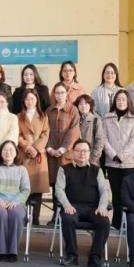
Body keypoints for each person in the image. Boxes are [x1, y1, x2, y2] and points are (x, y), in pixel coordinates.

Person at [55, 140, 112, 267]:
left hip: (93, 208)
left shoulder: (97, 170)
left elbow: (104, 191)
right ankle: (72, 256)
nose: (82, 154)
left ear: (89, 153)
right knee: (68, 220)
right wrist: (66, 205)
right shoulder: (64, 169)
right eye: (78, 151)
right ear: (73, 152)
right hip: (72, 207)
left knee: (104, 222)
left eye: (85, 151)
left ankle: (95, 257)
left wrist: (102, 207)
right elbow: (59, 190)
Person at [0, 140, 31, 262]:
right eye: (5, 149)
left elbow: (26, 189)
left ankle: (12, 252)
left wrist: (16, 201)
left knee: (16, 214)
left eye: (11, 150)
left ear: (16, 153)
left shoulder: (22, 169)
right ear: (0, 152)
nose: (8, 152)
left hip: (16, 203)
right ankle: (2, 251)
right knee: (1, 214)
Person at [104, 90, 134, 229]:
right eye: (118, 99)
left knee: (128, 194)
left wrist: (122, 156)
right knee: (116, 194)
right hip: (112, 163)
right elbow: (103, 138)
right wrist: (113, 155)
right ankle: (116, 222)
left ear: (128, 102)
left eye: (123, 99)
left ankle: (129, 223)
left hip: (128, 163)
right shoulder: (107, 118)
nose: (121, 102)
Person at [46, 83, 81, 213]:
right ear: (54, 94)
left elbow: (74, 131)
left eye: (62, 92)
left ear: (67, 94)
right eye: (57, 92)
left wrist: (62, 149)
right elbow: (45, 130)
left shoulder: (73, 110)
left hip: (66, 153)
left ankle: (66, 214)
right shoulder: (49, 110)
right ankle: (55, 215)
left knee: (65, 184)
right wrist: (49, 148)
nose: (60, 95)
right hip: (51, 153)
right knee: (55, 184)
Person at [17, 89, 50, 226]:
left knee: (37, 188)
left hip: (38, 155)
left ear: (37, 100)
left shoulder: (43, 116)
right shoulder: (19, 116)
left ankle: (35, 218)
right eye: (27, 99)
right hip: (24, 154)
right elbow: (17, 134)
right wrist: (27, 146)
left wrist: (36, 148)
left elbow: (45, 134)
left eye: (32, 99)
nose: (29, 101)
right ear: (23, 101)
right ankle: (23, 217)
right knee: (23, 187)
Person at [75, 95, 106, 166]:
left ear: (90, 105)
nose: (83, 106)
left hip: (91, 160)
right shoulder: (75, 120)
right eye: (80, 104)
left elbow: (100, 141)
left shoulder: (96, 120)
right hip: (76, 160)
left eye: (86, 103)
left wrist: (92, 159)